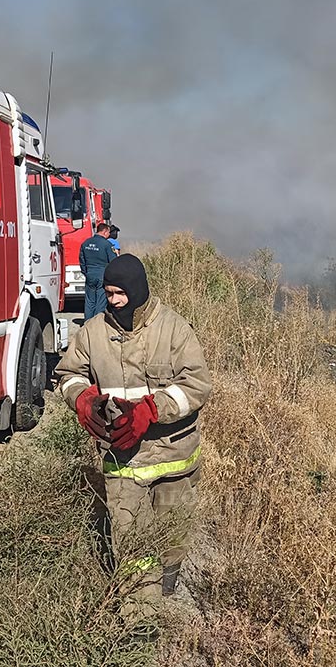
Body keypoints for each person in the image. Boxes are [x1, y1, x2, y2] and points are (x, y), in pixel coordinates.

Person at [56, 254, 211, 608]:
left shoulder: (174, 329)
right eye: (108, 293)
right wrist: (82, 400)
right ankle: (139, 616)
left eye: (119, 293)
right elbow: (68, 375)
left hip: (174, 458)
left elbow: (197, 385)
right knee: (132, 543)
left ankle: (168, 581)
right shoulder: (93, 332)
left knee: (173, 534)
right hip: (122, 460)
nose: (113, 300)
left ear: (137, 290)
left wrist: (152, 409)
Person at [79, 223, 117, 320]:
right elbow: (113, 262)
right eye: (108, 232)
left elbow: (82, 261)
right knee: (101, 301)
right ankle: (97, 323)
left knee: (89, 301)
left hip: (90, 275)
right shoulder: (107, 245)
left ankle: (87, 323)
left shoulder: (85, 243)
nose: (109, 235)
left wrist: (86, 273)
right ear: (105, 231)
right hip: (102, 275)